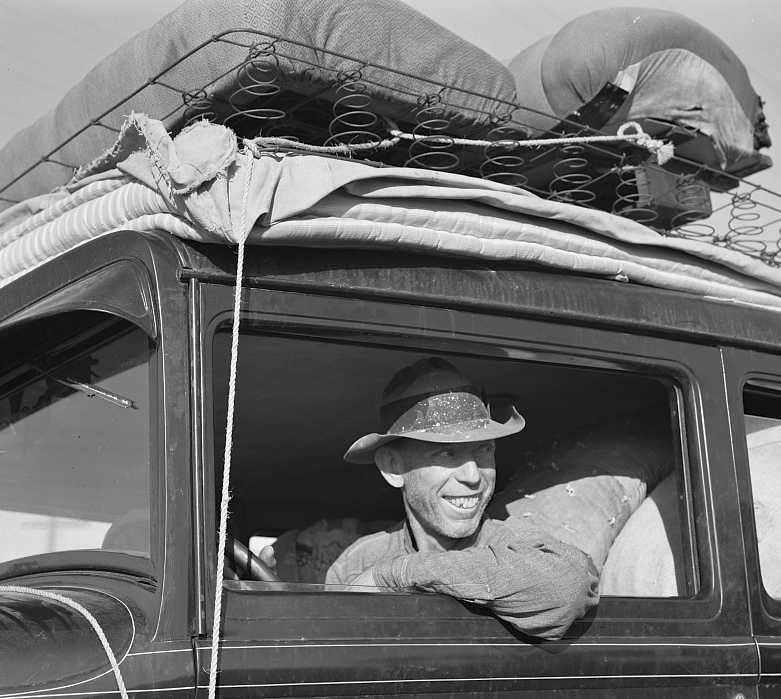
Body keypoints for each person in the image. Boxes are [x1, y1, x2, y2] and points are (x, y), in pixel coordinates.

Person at [325, 357, 599, 641]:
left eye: (483, 450)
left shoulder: (516, 543)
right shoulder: (356, 563)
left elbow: (567, 588)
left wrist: (397, 574)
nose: (473, 475)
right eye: (447, 453)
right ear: (394, 467)